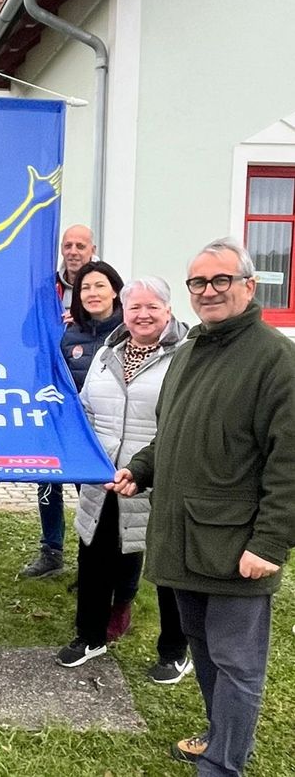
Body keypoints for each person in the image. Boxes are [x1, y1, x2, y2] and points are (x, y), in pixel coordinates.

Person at [111, 238, 295, 774]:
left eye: (221, 281)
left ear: (248, 285)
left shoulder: (275, 358)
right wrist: (142, 468)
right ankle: (222, 739)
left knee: (237, 662)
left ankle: (223, 765)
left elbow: (290, 461)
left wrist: (270, 542)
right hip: (184, 533)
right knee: (204, 648)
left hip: (238, 543)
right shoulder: (190, 350)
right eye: (198, 283)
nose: (209, 291)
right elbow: (171, 431)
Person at [55, 277, 192, 685]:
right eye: (135, 308)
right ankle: (90, 636)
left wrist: (144, 467)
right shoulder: (107, 352)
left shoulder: (185, 355)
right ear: (124, 311)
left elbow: (184, 420)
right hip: (104, 477)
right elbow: (88, 410)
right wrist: (90, 460)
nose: (143, 315)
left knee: (167, 568)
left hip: (159, 475)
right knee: (94, 557)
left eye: (153, 307)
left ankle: (174, 651)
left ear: (168, 310)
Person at [22, 258, 124, 580]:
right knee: (47, 486)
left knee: (94, 501)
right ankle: (51, 551)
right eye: (85, 288)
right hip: (66, 429)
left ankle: (93, 566)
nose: (92, 293)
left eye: (100, 286)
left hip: (104, 436)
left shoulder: (127, 334)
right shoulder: (69, 335)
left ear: (115, 292)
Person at [22, 225, 97, 578]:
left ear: (92, 249)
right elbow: (26, 333)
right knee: (46, 473)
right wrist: (48, 323)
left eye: (80, 245)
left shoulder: (102, 285)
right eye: (67, 245)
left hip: (88, 397)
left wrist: (80, 323)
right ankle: (51, 551)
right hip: (48, 393)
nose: (73, 251)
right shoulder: (44, 287)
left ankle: (92, 558)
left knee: (87, 479)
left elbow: (117, 328)